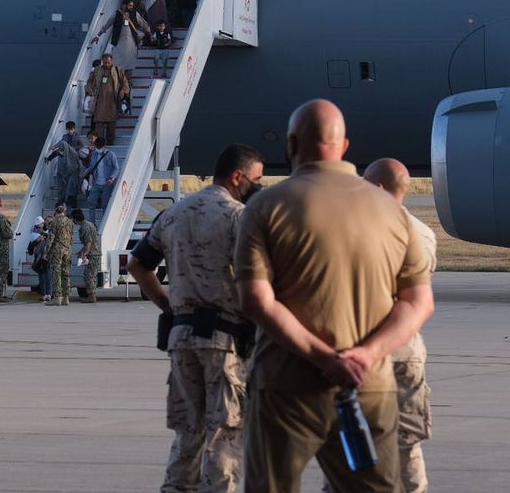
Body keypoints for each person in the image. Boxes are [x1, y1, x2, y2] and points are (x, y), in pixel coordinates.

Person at [235, 100, 434, 493]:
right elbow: (418, 303)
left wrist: (323, 358)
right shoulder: (393, 212)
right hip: (368, 384)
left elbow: (257, 300)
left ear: (292, 144)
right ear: (344, 146)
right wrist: (364, 356)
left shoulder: (266, 206)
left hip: (287, 386)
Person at [128, 144, 265, 493]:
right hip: (224, 341)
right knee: (224, 435)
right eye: (256, 180)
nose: (259, 188)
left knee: (188, 433)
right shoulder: (239, 217)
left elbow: (138, 264)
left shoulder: (174, 213)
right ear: (238, 177)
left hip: (181, 337)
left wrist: (167, 304)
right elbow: (257, 279)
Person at [362, 158, 438, 493]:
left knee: (355, 443)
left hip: (365, 346)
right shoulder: (423, 232)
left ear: (378, 188)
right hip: (406, 347)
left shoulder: (357, 229)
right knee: (407, 444)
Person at [91, 0, 149, 81]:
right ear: (124, 5)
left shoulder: (135, 14)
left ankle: (127, 83)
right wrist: (98, 35)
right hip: (119, 45)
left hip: (131, 45)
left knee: (130, 64)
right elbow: (106, 25)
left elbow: (144, 24)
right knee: (117, 65)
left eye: (132, 6)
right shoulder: (117, 15)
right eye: (130, 5)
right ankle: (119, 82)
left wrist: (151, 34)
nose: (131, 7)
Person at [85, 52, 130, 144]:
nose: (106, 64)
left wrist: (123, 91)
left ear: (112, 61)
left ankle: (110, 144)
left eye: (108, 63)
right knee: (99, 126)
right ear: (102, 61)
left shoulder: (117, 70)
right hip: (99, 103)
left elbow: (125, 83)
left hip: (112, 103)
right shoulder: (97, 70)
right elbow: (89, 82)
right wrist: (90, 89)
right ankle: (99, 145)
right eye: (105, 63)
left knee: (111, 126)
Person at [44, 203, 74, 306]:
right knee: (66, 272)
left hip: (57, 250)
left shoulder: (54, 222)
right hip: (67, 249)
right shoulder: (70, 222)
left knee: (56, 273)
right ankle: (66, 298)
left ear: (55, 211)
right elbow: (72, 237)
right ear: (64, 212)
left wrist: (47, 252)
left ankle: (57, 297)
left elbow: (50, 239)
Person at [85, 136, 119, 224]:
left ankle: (104, 224)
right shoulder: (94, 154)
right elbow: (92, 167)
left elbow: (116, 168)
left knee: (105, 205)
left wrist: (112, 178)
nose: (98, 149)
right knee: (91, 202)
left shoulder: (110, 154)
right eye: (97, 147)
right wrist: (90, 180)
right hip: (96, 183)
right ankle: (92, 223)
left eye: (99, 147)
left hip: (107, 184)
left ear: (104, 146)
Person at [72, 209, 101, 303]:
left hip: (92, 254)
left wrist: (85, 254)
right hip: (94, 252)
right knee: (90, 274)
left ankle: (91, 296)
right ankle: (91, 295)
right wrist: (81, 251)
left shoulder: (85, 227)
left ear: (75, 219)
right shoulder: (88, 224)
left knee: (89, 275)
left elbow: (88, 242)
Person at [45, 137, 82, 208]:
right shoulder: (61, 150)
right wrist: (48, 158)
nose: (61, 153)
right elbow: (56, 153)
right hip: (62, 173)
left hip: (71, 174)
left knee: (70, 190)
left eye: (62, 151)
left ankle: (72, 206)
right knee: (61, 189)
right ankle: (61, 205)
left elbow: (75, 167)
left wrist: (66, 175)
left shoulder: (73, 153)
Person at [30, 215, 53, 302]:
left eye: (48, 221)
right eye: (45, 221)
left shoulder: (36, 232)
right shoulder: (41, 233)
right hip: (42, 257)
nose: (45, 223)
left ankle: (46, 295)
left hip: (43, 257)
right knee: (44, 276)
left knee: (45, 276)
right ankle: (46, 294)